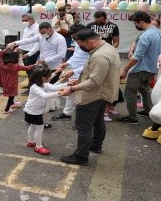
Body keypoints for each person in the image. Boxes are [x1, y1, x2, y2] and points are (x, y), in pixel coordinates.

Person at [58, 29, 121, 165]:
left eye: (82, 45)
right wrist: (78, 80)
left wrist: (72, 88)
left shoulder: (100, 56)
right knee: (98, 120)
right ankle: (96, 146)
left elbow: (95, 81)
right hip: (103, 93)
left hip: (94, 95)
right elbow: (94, 75)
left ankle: (81, 156)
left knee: (84, 127)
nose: (81, 48)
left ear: (90, 42)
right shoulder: (107, 47)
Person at [117, 11, 161, 124]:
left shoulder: (146, 35)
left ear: (141, 22)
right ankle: (149, 111)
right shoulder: (159, 32)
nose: (135, 26)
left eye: (135, 24)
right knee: (145, 89)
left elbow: (137, 56)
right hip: (152, 68)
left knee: (129, 93)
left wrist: (125, 69)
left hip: (140, 69)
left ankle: (132, 117)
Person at [23, 66, 66, 156]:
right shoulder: (35, 87)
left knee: (33, 126)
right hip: (33, 112)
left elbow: (54, 88)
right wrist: (59, 93)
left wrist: (68, 84)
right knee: (39, 128)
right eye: (49, 77)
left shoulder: (43, 84)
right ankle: (38, 146)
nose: (50, 78)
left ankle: (31, 141)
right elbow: (45, 95)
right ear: (43, 78)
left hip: (31, 110)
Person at [51, 24, 90, 121]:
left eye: (75, 35)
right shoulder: (78, 42)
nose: (74, 38)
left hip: (83, 74)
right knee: (70, 93)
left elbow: (90, 64)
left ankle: (83, 120)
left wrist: (73, 71)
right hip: (74, 72)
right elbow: (75, 56)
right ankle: (67, 113)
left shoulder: (89, 45)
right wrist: (66, 64)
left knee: (82, 97)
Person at [0, 49, 34, 114]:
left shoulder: (2, 64)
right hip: (12, 84)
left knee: (10, 95)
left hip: (5, 83)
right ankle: (7, 109)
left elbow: (0, 55)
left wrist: (6, 49)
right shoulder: (16, 66)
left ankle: (13, 103)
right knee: (11, 96)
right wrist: (35, 65)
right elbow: (27, 68)